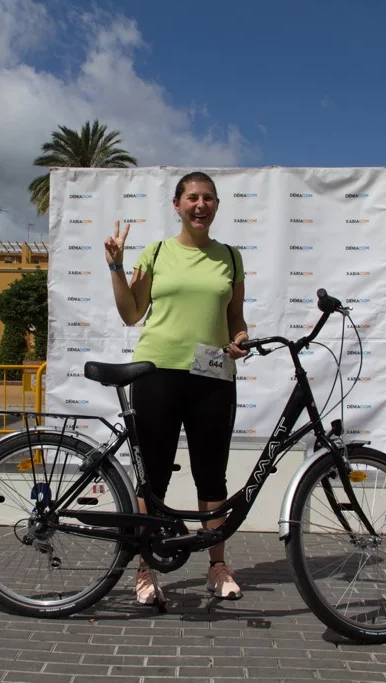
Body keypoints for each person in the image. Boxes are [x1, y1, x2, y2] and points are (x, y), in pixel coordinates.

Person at [105, 171, 249, 604]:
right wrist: (115, 265)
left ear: (217, 205)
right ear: (177, 205)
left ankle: (217, 566)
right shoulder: (156, 252)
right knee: (153, 479)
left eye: (208, 198)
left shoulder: (230, 257)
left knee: (212, 476)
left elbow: (236, 318)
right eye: (192, 198)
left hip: (212, 376)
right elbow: (131, 313)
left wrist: (240, 340)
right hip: (157, 374)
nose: (200, 205)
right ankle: (146, 570)